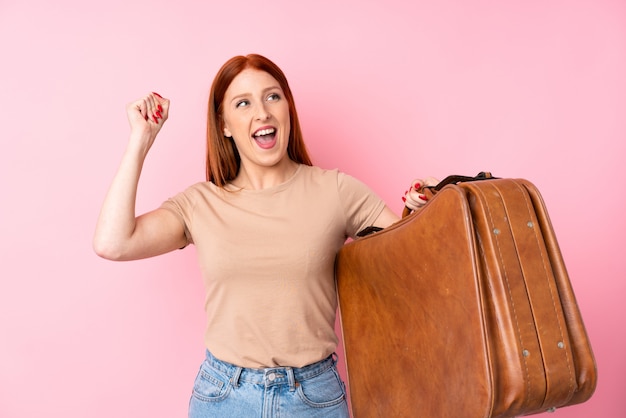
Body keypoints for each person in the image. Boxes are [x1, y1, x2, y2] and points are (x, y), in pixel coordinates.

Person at [93, 53, 435, 418]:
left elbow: (412, 258)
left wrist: (427, 208)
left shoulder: (335, 190)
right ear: (224, 124)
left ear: (288, 108)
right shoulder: (200, 203)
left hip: (314, 397)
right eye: (243, 103)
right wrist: (141, 141)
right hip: (223, 397)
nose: (263, 112)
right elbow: (113, 243)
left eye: (273, 97)